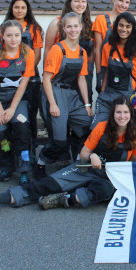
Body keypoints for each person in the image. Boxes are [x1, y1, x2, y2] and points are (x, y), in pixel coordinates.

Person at [0, 97, 136, 212]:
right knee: (45, 185)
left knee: (104, 191)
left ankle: (64, 199)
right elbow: (84, 152)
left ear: (131, 114)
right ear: (113, 114)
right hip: (87, 169)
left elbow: (135, 164)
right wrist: (92, 156)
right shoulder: (101, 128)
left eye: (126, 112)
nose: (122, 116)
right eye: (118, 112)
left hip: (110, 177)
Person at [36, 12, 93, 178]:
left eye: (76, 26)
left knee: (89, 125)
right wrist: (53, 104)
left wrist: (87, 104)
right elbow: (46, 79)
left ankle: (78, 159)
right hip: (55, 93)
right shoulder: (57, 49)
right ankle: (41, 162)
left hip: (72, 95)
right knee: (60, 140)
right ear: (64, 29)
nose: (73, 29)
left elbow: (81, 79)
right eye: (69, 26)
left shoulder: (82, 52)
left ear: (81, 27)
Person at [0, 20, 35, 184]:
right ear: (2, 36)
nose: (13, 39)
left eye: (17, 35)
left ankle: (24, 168)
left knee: (22, 128)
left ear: (21, 35)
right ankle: (6, 165)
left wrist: (12, 109)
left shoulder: (28, 53)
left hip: (16, 98)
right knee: (0, 133)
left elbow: (24, 84)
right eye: (9, 35)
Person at [0, 0, 44, 153]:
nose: (19, 10)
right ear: (12, 8)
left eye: (23, 7)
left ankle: (31, 150)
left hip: (30, 78)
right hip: (7, 78)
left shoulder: (34, 28)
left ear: (27, 9)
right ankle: (8, 151)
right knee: (9, 117)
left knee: (29, 115)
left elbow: (37, 54)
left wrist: (26, 72)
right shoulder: (4, 27)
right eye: (16, 7)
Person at [91, 12, 136, 128]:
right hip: (108, 95)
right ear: (116, 26)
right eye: (121, 25)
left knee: (123, 130)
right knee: (95, 128)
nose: (124, 29)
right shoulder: (108, 47)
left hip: (127, 97)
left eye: (128, 26)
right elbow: (107, 71)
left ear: (133, 29)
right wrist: (102, 91)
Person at [44, 0, 94, 104]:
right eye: (77, 1)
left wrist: (89, 70)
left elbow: (93, 52)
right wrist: (46, 77)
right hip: (61, 76)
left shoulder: (91, 25)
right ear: (69, 2)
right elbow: (47, 50)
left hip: (82, 75)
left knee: (83, 105)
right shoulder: (56, 23)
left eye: (83, 1)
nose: (80, 4)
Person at [93, 0, 132, 92]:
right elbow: (97, 49)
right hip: (105, 68)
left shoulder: (129, 23)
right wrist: (99, 72)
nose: (123, 5)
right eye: (121, 0)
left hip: (123, 69)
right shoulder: (101, 20)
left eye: (127, 2)